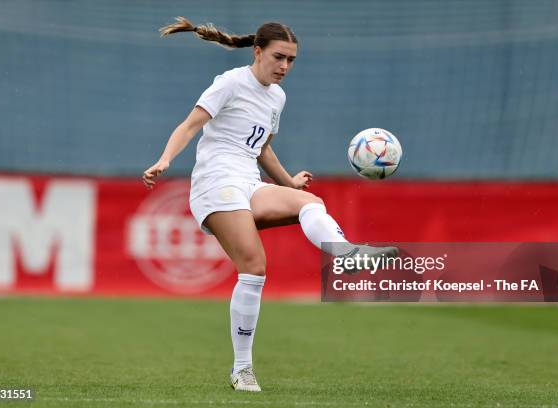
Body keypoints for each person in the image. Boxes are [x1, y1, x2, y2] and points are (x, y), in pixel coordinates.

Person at [142, 17, 398, 392]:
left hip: (249, 182)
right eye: (279, 57)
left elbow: (261, 148)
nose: (285, 67)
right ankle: (242, 369)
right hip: (216, 183)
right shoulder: (230, 83)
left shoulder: (277, 96)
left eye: (292, 60)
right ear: (257, 51)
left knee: (309, 201)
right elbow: (189, 126)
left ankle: (345, 254)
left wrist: (288, 181)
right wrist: (165, 159)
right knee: (255, 266)